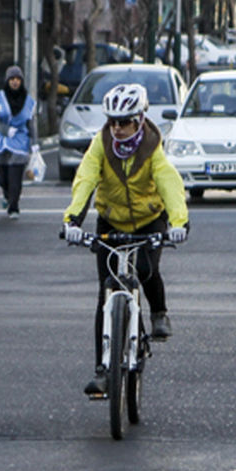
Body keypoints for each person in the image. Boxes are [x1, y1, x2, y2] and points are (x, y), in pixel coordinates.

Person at [61, 83, 188, 398]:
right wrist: (73, 219)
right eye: (112, 121)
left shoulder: (151, 148)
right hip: (111, 220)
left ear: (140, 119)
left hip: (149, 220)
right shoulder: (101, 144)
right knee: (106, 293)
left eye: (125, 121)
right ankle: (103, 371)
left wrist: (178, 221)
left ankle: (158, 313)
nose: (117, 128)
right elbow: (86, 178)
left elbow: (169, 182)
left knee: (145, 269)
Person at [0, 65, 36, 218]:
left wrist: (34, 143)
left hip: (20, 141)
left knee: (15, 176)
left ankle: (14, 206)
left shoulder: (29, 101)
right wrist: (5, 130)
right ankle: (7, 195)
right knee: (3, 178)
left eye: (18, 79)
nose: (15, 82)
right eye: (12, 79)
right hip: (1, 140)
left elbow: (31, 123)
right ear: (7, 81)